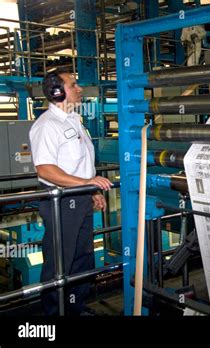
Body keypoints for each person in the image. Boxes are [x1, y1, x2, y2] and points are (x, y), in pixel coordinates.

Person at [29, 68, 113, 315]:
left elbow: (79, 164)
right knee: (60, 261)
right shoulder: (47, 125)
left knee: (83, 256)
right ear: (57, 92)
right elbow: (46, 170)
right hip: (61, 201)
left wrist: (91, 191)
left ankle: (76, 306)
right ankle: (54, 313)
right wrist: (87, 184)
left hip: (80, 197)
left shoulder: (74, 120)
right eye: (73, 85)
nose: (79, 89)